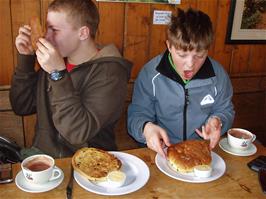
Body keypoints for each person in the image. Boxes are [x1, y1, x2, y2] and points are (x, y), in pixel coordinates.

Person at [10, 0, 132, 158]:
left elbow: (78, 133)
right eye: (47, 28)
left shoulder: (110, 73)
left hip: (90, 165)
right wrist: (26, 60)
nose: (46, 36)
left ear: (83, 33)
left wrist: (58, 74)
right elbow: (22, 106)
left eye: (54, 30)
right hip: (44, 157)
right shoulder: (55, 61)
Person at [127, 8, 235, 158]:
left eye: (200, 55)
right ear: (169, 46)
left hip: (202, 150)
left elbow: (225, 110)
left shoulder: (218, 76)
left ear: (207, 51)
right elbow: (137, 115)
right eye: (182, 55)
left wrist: (218, 121)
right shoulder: (150, 74)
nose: (190, 64)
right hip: (163, 151)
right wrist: (146, 128)